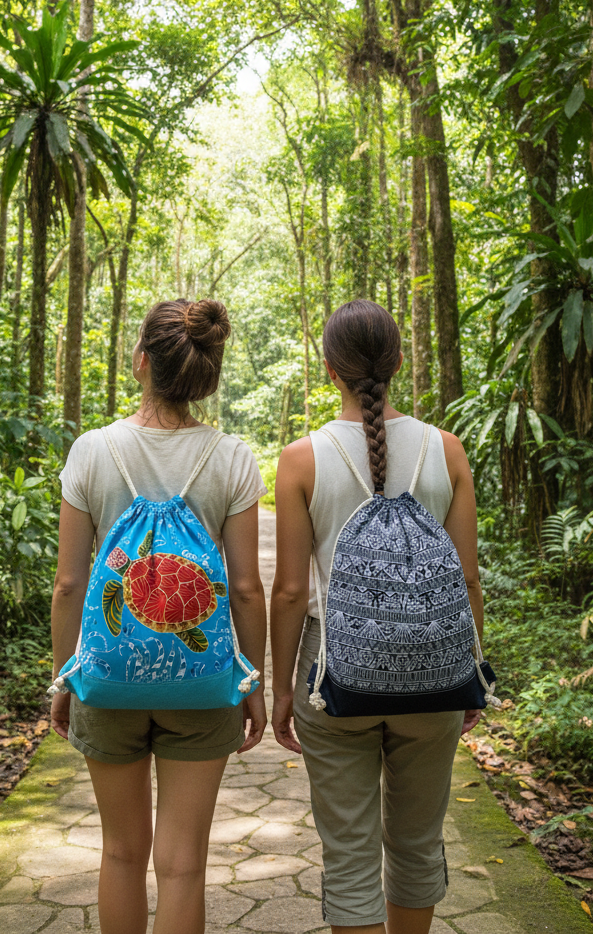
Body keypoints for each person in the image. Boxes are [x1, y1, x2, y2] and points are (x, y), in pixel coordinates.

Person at [50, 298, 268, 935]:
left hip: (109, 679)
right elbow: (248, 589)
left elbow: (69, 584)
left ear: (141, 362)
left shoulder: (92, 451)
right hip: (201, 687)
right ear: (205, 375)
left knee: (119, 853)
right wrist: (252, 683)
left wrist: (65, 677)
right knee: (183, 866)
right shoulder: (231, 458)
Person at [270, 299, 483, 935]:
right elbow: (468, 577)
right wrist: (471, 670)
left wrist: (281, 689)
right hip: (435, 676)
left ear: (329, 368)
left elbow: (286, 591)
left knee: (350, 853)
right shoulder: (448, 451)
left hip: (331, 675)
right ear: (396, 363)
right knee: (418, 844)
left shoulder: (301, 459)